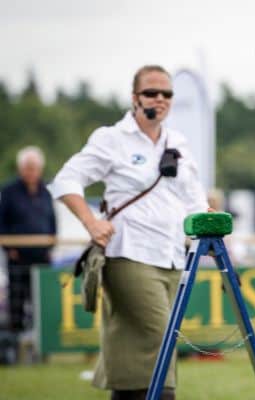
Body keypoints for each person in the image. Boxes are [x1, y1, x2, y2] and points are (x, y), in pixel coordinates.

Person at [48, 65, 208, 399]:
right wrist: (91, 222)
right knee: (161, 335)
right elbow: (66, 180)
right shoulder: (112, 138)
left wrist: (208, 231)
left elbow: (195, 199)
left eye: (167, 93)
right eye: (152, 92)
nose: (160, 99)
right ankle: (164, 395)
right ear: (135, 97)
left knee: (133, 343)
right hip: (128, 254)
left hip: (172, 254)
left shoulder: (177, 141)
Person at [0, 146, 56, 336]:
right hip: (18, 255)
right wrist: (9, 248)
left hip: (41, 254)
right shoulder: (9, 192)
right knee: (17, 300)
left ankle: (41, 338)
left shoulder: (46, 191)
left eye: (34, 167)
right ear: (20, 168)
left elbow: (52, 221)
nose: (31, 171)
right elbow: (2, 222)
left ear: (40, 169)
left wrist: (51, 245)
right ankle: (14, 342)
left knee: (41, 300)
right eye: (27, 167)